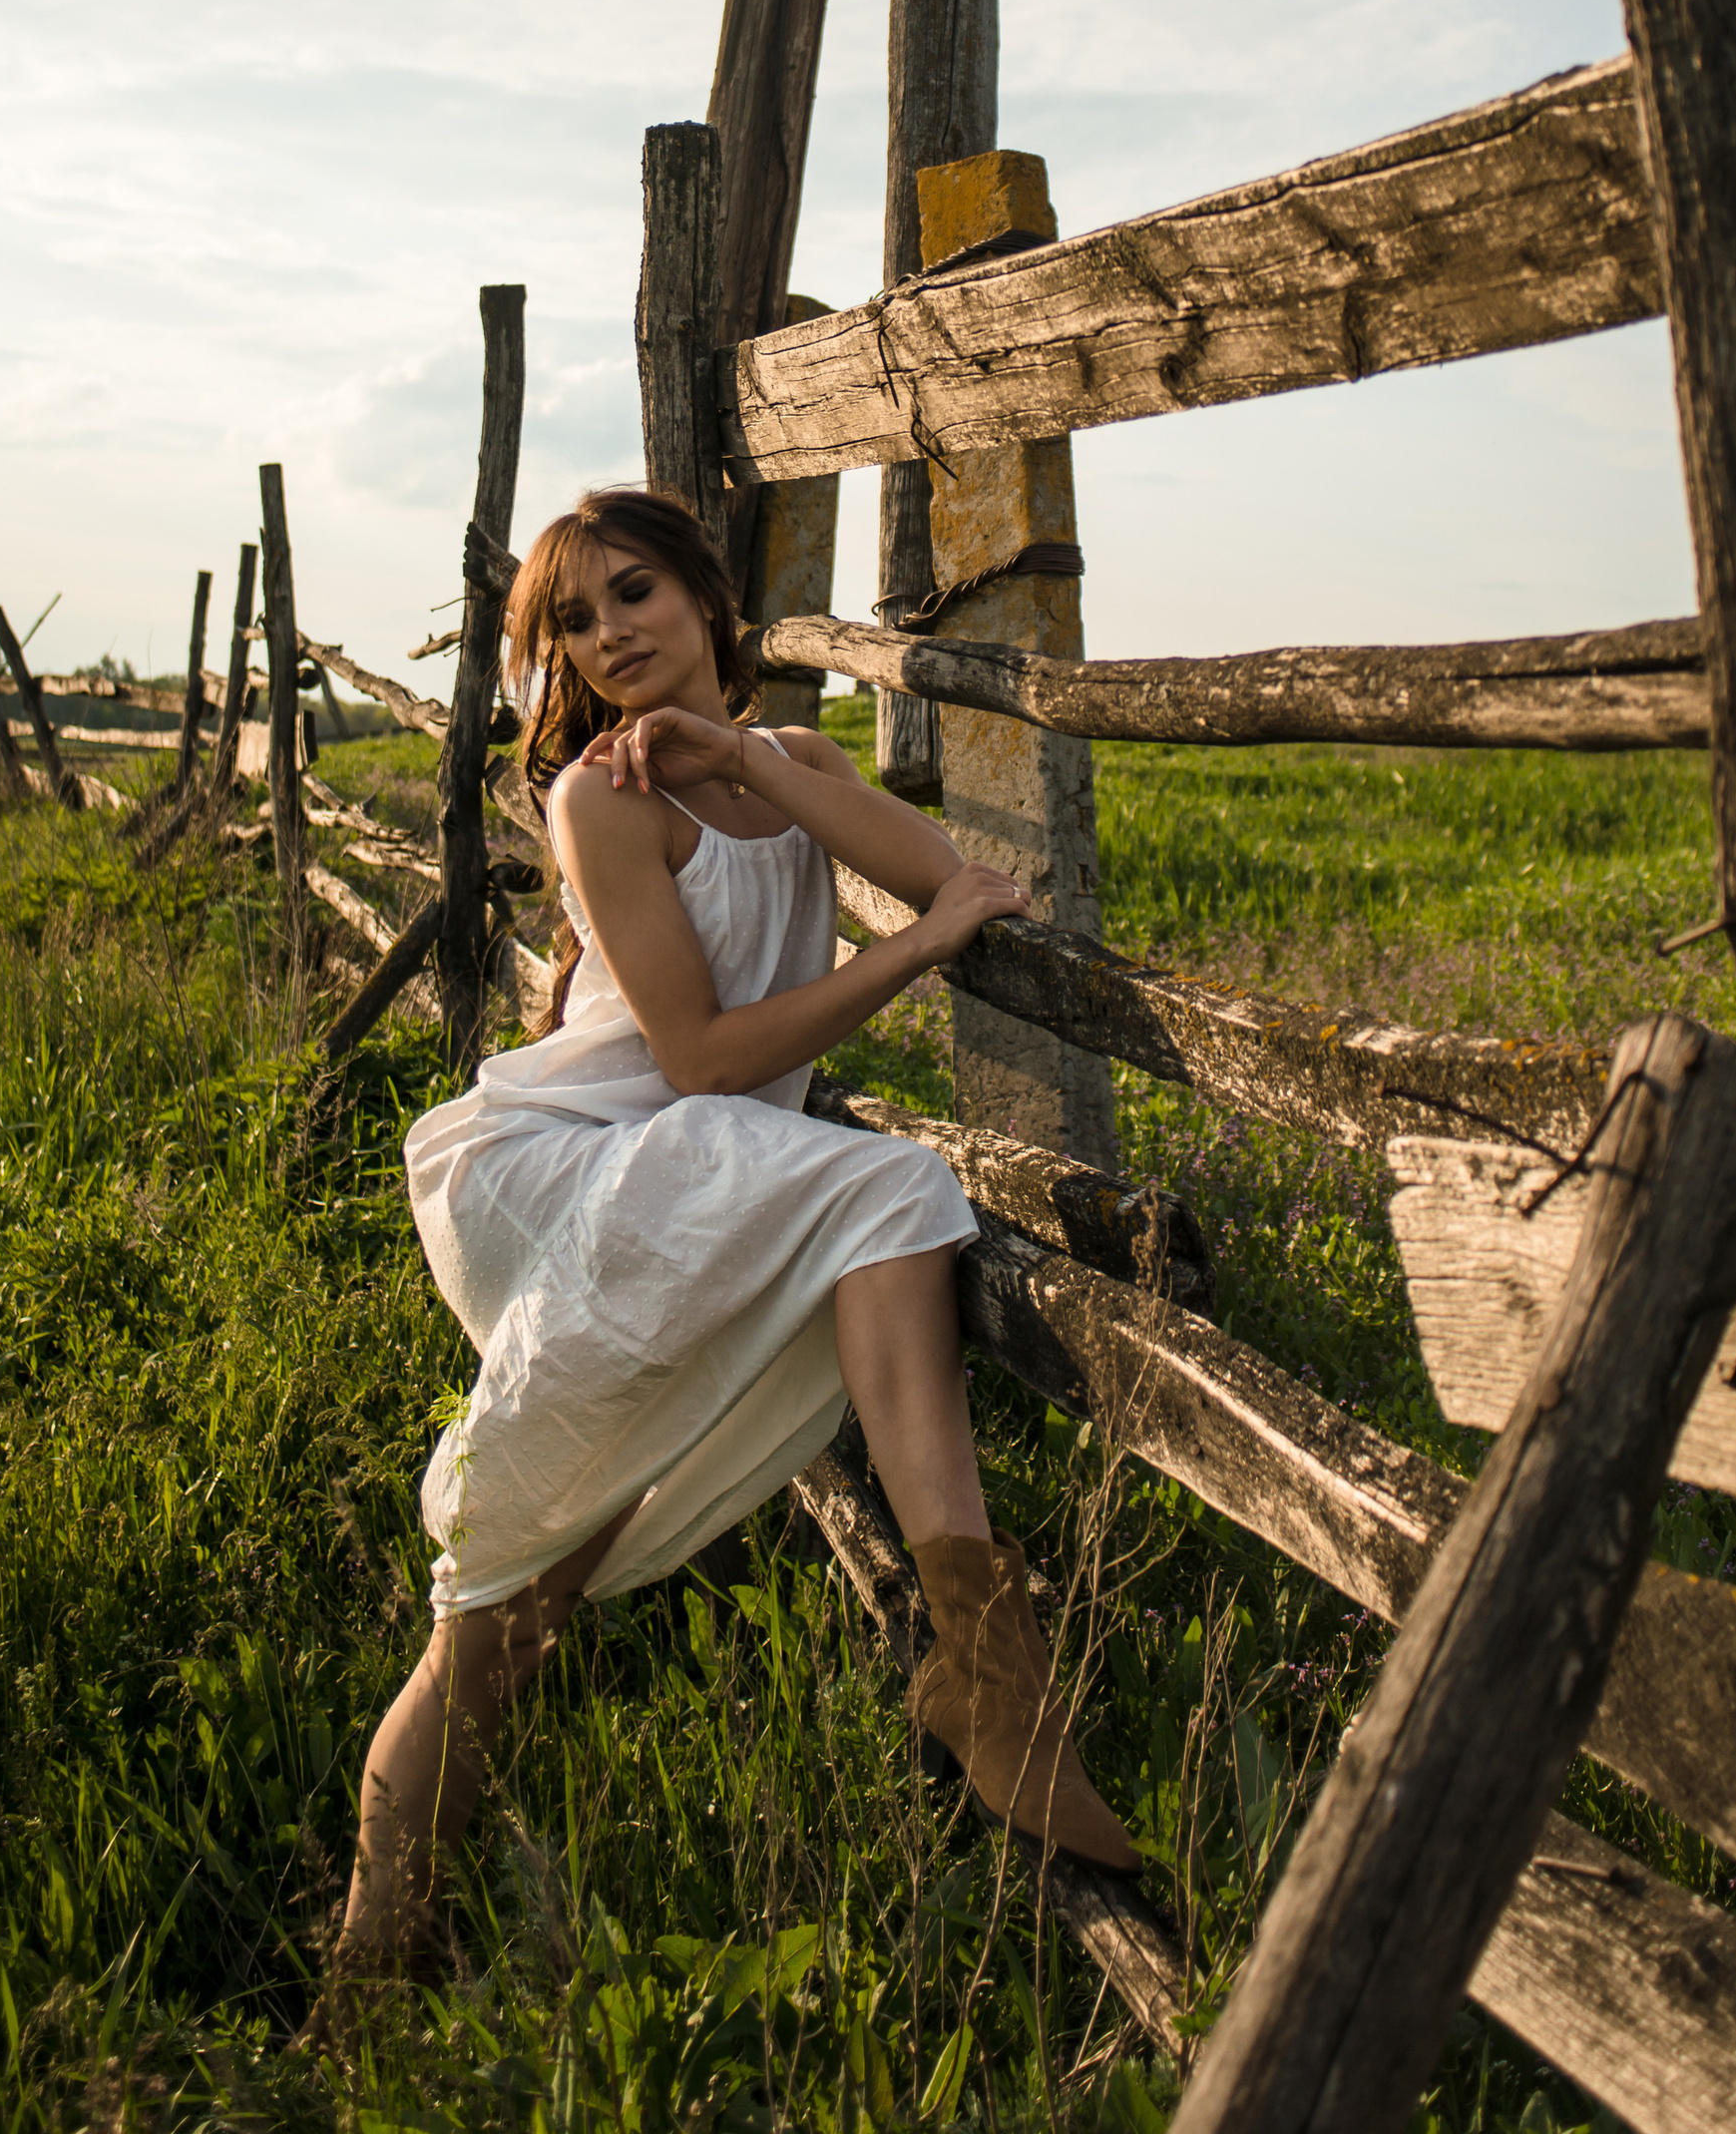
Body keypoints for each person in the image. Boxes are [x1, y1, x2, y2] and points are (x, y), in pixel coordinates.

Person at [335, 483, 1137, 1971]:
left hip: (693, 1173)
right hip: (560, 1167)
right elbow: (707, 1061)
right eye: (572, 622)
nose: (605, 636)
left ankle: (375, 1954)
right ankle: (989, 1667)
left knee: (516, 1618)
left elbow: (951, 880)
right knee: (892, 1186)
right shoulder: (597, 800)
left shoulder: (799, 765)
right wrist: (912, 957)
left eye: (630, 594)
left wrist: (745, 756)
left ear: (709, 600)